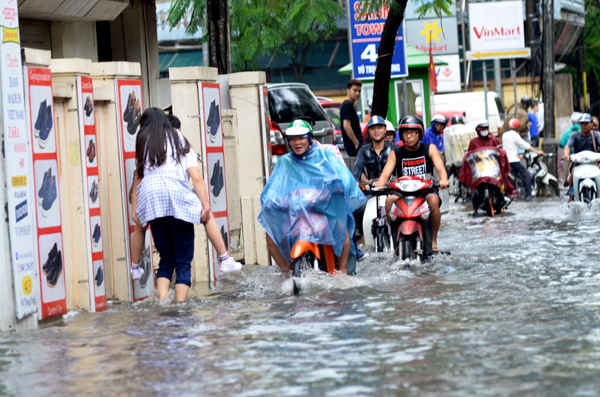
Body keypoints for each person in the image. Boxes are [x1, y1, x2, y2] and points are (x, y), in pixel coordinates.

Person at [133, 108, 235, 302]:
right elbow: (196, 177)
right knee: (183, 260)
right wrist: (205, 205)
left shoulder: (143, 140)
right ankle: (223, 259)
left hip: (153, 201)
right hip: (177, 198)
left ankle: (160, 297)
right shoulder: (177, 137)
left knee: (165, 259)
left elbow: (138, 176)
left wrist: (135, 208)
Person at [258, 119, 365, 274]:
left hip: (324, 211)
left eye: (301, 137)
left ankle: (342, 270)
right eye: (293, 139)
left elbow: (344, 180)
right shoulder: (285, 163)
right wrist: (272, 201)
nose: (297, 142)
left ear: (309, 138)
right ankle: (286, 272)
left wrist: (333, 190)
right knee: (270, 236)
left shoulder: (325, 156)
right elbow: (273, 189)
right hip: (297, 215)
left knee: (342, 227)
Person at [374, 115, 448, 255]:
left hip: (425, 190)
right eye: (405, 133)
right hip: (403, 192)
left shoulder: (430, 148)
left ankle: (433, 239)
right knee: (389, 202)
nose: (409, 136)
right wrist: (378, 185)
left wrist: (444, 179)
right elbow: (385, 175)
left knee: (434, 201)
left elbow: (440, 168)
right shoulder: (396, 152)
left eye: (412, 132)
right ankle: (394, 237)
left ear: (419, 134)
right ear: (401, 135)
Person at [352, 115, 394, 255]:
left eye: (380, 127)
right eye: (373, 128)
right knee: (353, 210)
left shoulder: (394, 149)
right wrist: (355, 184)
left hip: (392, 191)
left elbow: (401, 172)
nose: (376, 131)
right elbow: (356, 173)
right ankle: (357, 243)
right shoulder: (363, 151)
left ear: (385, 130)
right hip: (371, 192)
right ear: (369, 132)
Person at [502, 118, 544, 201]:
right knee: (526, 175)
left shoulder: (505, 135)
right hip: (513, 161)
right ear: (517, 127)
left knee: (513, 176)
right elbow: (525, 145)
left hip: (506, 161)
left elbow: (512, 146)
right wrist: (537, 151)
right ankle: (528, 195)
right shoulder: (515, 135)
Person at [562, 113, 600, 195]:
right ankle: (572, 195)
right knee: (570, 181)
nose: (584, 126)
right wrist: (566, 155)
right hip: (578, 164)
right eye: (582, 123)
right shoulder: (574, 135)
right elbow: (567, 146)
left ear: (591, 124)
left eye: (586, 123)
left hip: (594, 163)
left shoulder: (596, 135)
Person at [340, 79, 364, 157]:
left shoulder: (350, 105)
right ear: (348, 90)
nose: (357, 93)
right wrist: (356, 142)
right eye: (355, 90)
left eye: (359, 91)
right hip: (354, 147)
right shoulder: (347, 105)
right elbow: (346, 125)